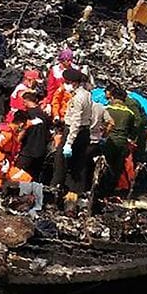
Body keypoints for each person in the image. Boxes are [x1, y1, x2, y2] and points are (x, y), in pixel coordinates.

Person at [57, 69, 93, 205]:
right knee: (79, 164)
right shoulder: (87, 94)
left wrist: (69, 142)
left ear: (73, 83)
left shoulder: (78, 98)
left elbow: (76, 122)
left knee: (61, 162)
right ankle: (76, 193)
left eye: (67, 82)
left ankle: (60, 191)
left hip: (74, 132)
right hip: (84, 132)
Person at [102, 85, 137, 194]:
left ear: (112, 97)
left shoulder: (107, 109)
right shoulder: (130, 113)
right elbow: (132, 130)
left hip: (109, 141)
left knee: (106, 165)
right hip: (122, 143)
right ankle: (114, 189)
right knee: (118, 167)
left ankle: (104, 188)